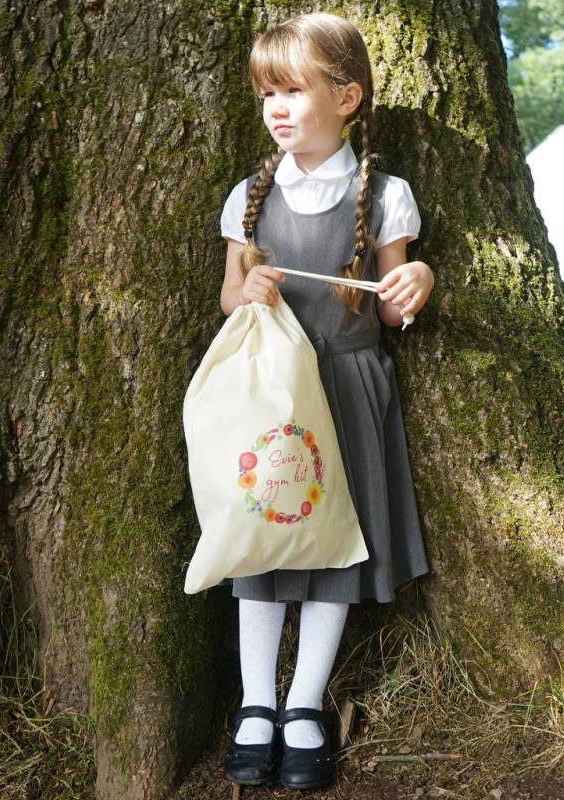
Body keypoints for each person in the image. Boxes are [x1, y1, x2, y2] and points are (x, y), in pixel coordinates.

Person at [214, 11, 434, 791]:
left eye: (292, 90)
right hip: (275, 397)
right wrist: (252, 291)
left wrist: (417, 284)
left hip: (345, 387)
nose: (274, 106)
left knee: (338, 543)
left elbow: (388, 307)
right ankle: (254, 703)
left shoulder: (386, 195)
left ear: (346, 97)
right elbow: (231, 294)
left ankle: (304, 703)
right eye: (265, 92)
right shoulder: (251, 192)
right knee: (262, 544)